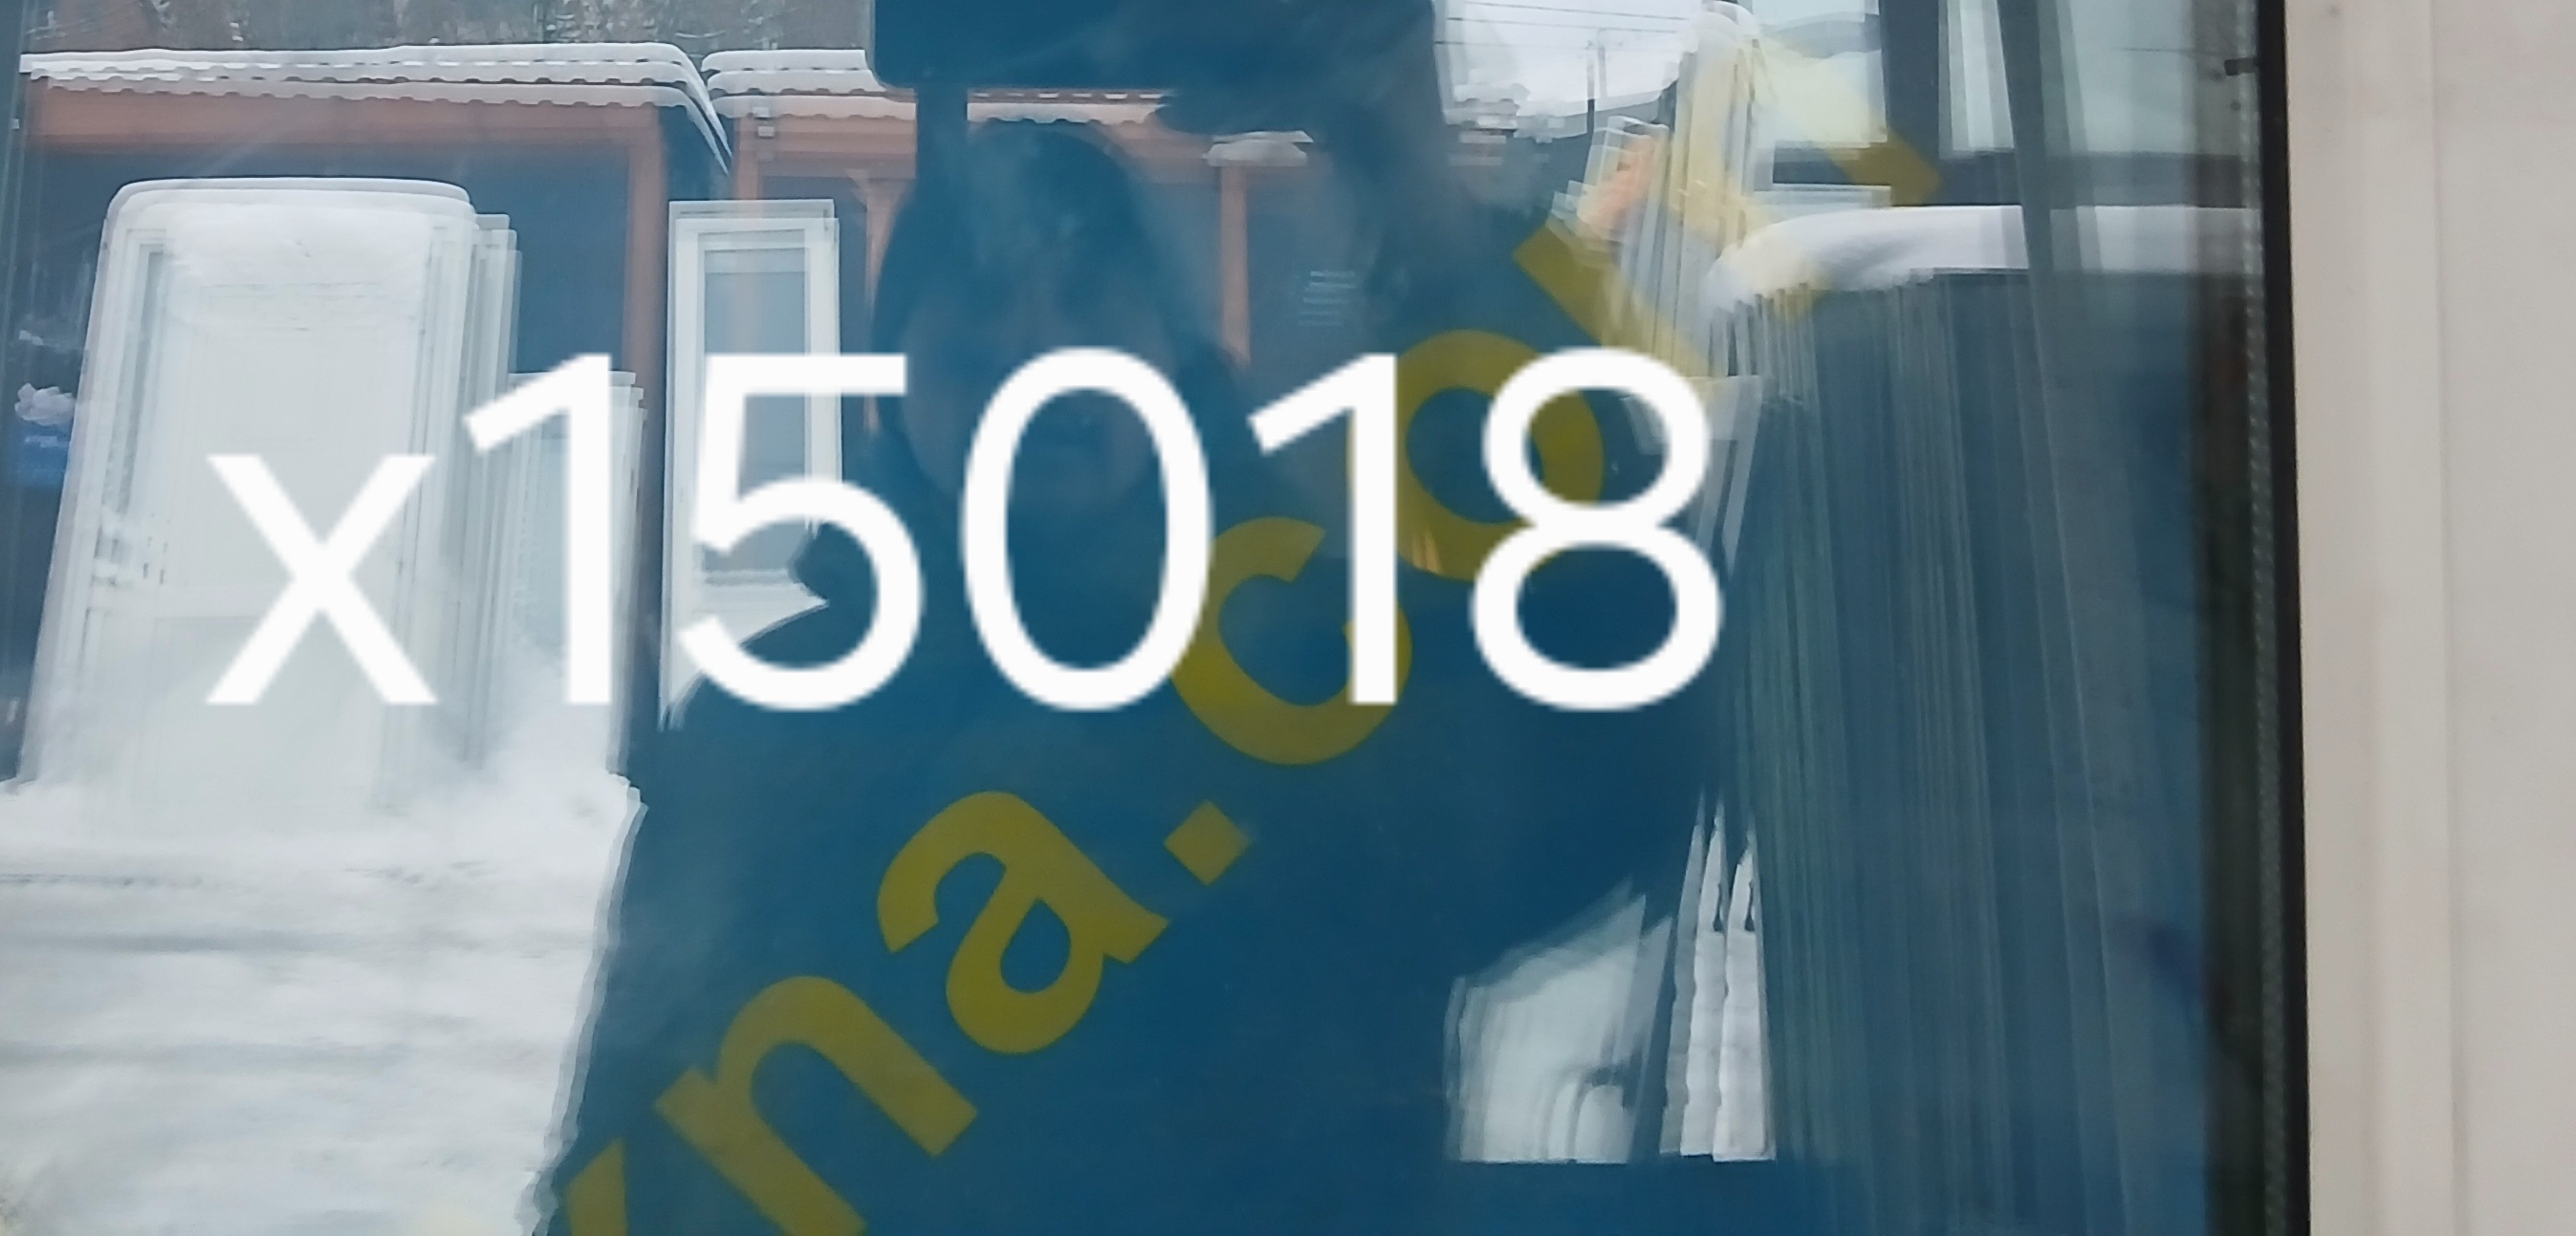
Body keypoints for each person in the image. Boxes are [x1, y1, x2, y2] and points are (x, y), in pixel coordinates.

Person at [546, 101, 1714, 1236]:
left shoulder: (1321, 674)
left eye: (1089, 302)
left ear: (1177, 363)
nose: (1034, 353)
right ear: (896, 380)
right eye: (980, 308)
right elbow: (630, 1169)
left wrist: (1419, 200)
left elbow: (1611, 747)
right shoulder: (768, 724)